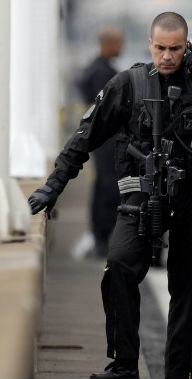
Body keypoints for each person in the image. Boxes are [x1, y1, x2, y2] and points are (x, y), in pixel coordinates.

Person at [28, 12, 192, 379]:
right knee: (118, 266)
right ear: (150, 44)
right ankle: (123, 365)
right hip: (141, 197)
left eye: (176, 49)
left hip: (191, 201)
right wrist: (53, 186)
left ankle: (183, 372)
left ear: (188, 47)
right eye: (161, 48)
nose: (167, 56)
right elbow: (83, 137)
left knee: (191, 293)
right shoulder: (130, 83)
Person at [74, 26, 123, 258]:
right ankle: (102, 239)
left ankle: (100, 237)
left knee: (103, 186)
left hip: (101, 137)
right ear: (107, 44)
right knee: (108, 187)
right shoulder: (103, 73)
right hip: (107, 139)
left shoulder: (94, 69)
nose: (121, 47)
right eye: (118, 43)